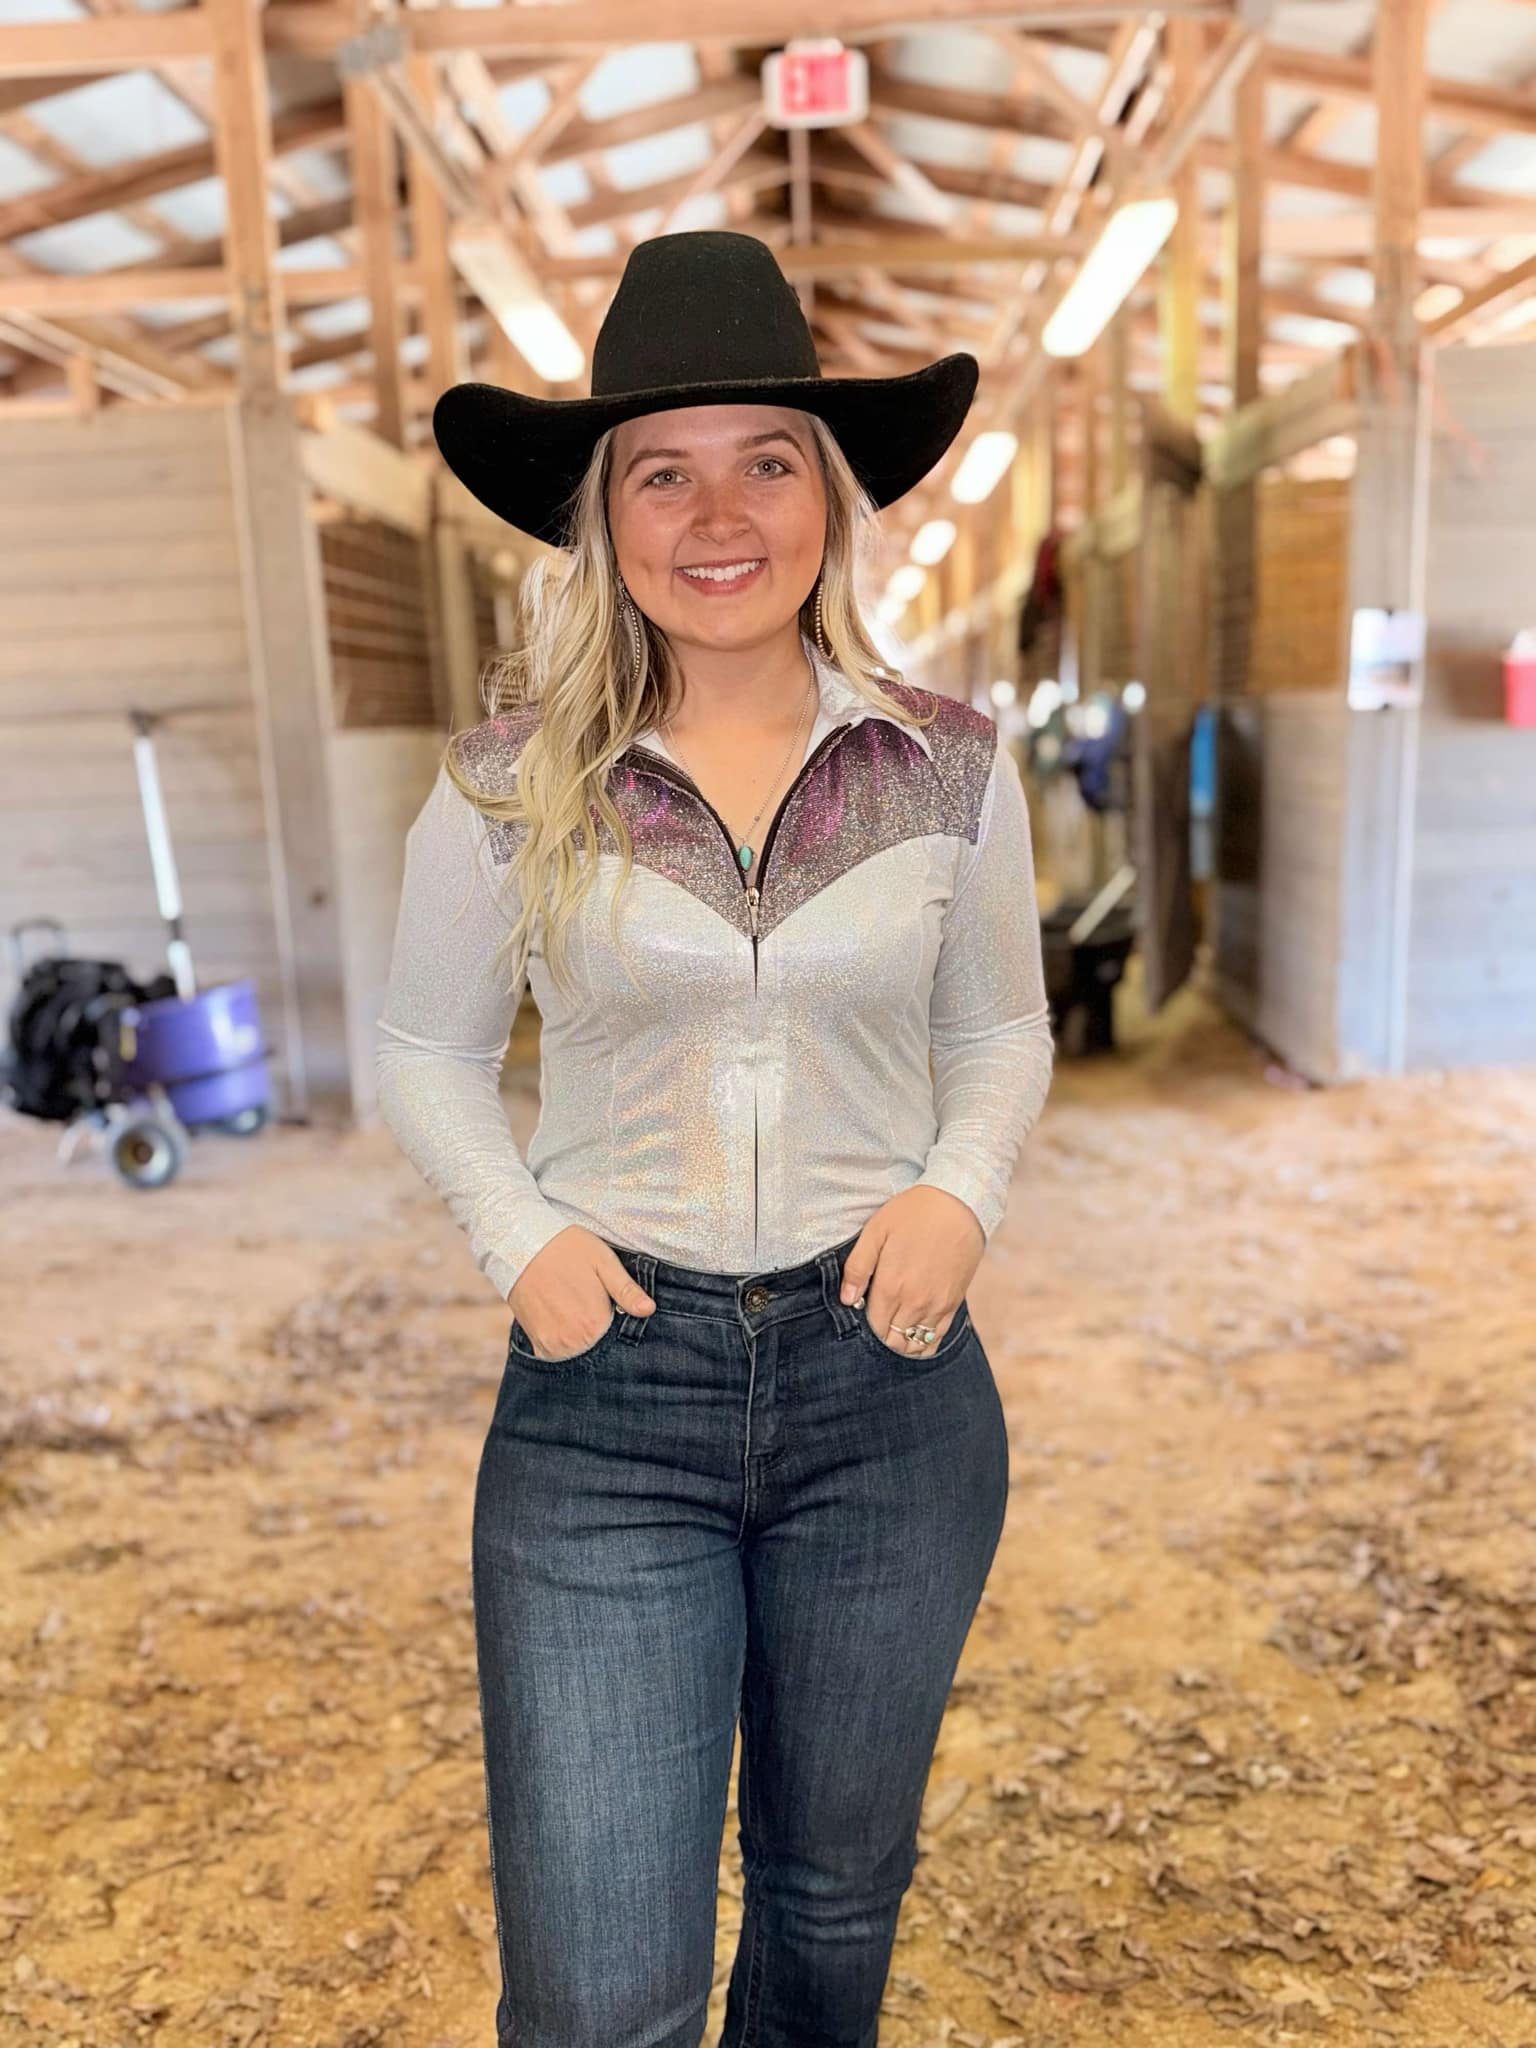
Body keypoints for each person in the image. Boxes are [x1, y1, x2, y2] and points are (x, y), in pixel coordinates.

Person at [377, 229, 1054, 2048]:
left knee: (834, 1908)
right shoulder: (509, 782)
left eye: (769, 458)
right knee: (602, 1988)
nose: (719, 509)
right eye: (661, 469)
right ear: (605, 517)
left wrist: (958, 1193)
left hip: (888, 1386)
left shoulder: (945, 767)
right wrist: (523, 1245)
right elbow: (423, 1052)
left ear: (830, 495)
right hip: (614, 1400)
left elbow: (1000, 1026)